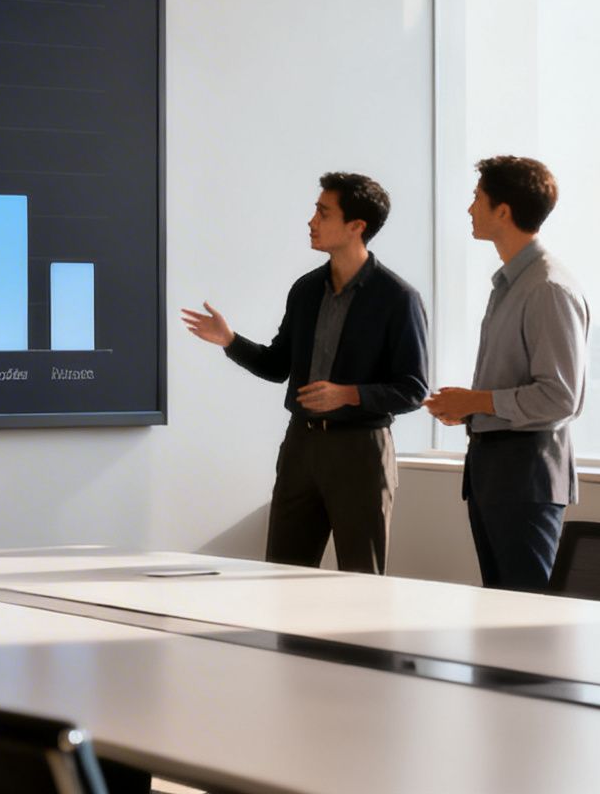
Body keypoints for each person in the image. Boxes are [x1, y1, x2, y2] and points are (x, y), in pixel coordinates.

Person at [181, 172, 429, 574]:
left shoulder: (398, 299)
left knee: (361, 580)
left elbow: (413, 389)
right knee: (283, 573)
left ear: (356, 226)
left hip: (360, 452)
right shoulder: (306, 290)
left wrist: (348, 394)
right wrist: (230, 340)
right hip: (301, 447)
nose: (311, 221)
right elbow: (277, 366)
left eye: (322, 212)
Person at [425, 155, 590, 592]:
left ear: (504, 210)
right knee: (501, 612)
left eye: (477, 198)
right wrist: (468, 410)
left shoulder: (547, 287)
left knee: (530, 616)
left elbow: (559, 399)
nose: (469, 208)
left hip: (526, 477)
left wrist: (477, 402)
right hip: (495, 474)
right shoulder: (512, 284)